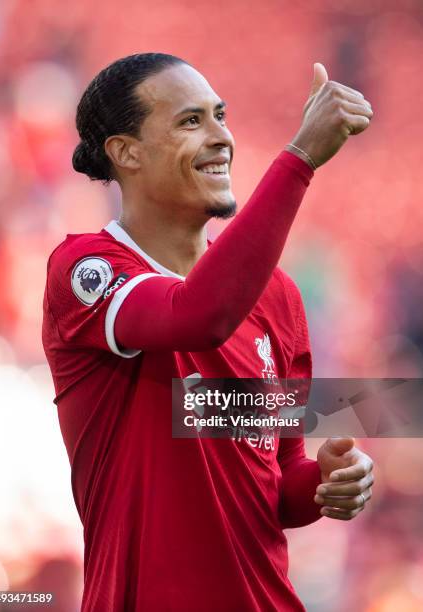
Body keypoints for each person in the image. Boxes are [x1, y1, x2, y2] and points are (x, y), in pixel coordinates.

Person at [42, 53, 375, 612]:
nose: (223, 137)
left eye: (220, 117)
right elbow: (196, 317)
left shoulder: (278, 296)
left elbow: (278, 480)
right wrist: (299, 160)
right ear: (126, 153)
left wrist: (326, 482)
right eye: (190, 121)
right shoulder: (84, 269)